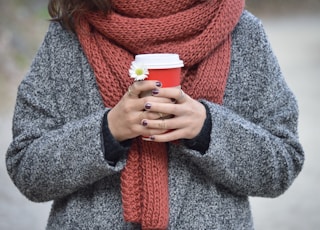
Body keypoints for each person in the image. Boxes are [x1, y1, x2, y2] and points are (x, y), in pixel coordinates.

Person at [6, 0, 304, 229]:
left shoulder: (242, 33)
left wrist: (208, 128)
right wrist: (107, 131)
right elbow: (26, 168)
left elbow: (283, 163)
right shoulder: (68, 36)